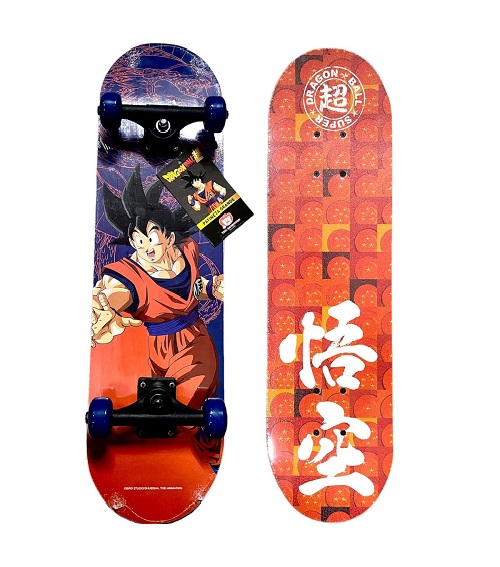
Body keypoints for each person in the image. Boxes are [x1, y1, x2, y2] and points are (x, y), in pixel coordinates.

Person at [91, 165, 224, 414]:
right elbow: (118, 294)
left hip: (195, 344)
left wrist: (212, 288)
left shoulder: (188, 249)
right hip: (155, 351)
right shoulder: (131, 274)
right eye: (138, 241)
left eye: (151, 238)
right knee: (158, 412)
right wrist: (104, 307)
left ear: (169, 237)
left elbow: (192, 290)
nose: (146, 248)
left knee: (187, 407)